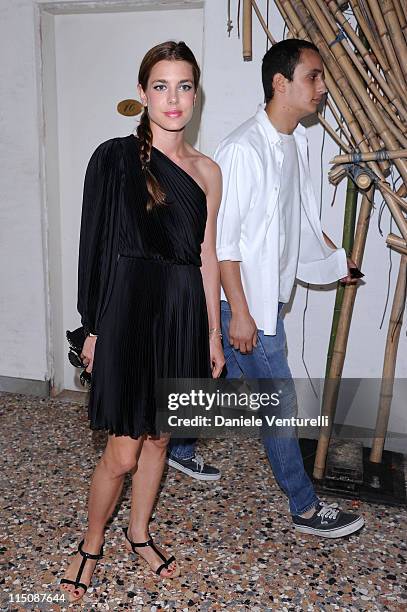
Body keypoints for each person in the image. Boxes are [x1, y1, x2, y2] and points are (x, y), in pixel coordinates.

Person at [60, 41, 224, 603]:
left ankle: (139, 533)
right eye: (161, 86)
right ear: (142, 94)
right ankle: (90, 541)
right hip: (127, 311)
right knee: (123, 450)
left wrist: (211, 334)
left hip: (181, 314)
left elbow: (207, 254)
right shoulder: (113, 158)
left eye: (184, 86)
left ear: (195, 94)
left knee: (158, 439)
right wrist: (92, 328)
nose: (173, 98)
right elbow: (95, 246)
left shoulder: (207, 170)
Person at [214, 39, 364, 538]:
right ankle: (304, 508)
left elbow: (299, 217)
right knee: (279, 402)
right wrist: (239, 313)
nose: (322, 88)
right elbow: (223, 242)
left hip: (266, 298)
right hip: (242, 300)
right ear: (281, 83)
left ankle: (174, 447)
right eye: (313, 77)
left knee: (216, 381)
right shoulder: (240, 150)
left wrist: (336, 259)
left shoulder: (294, 142)